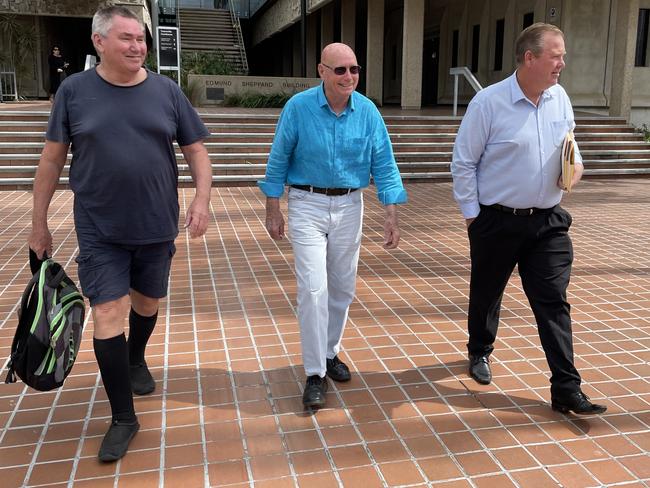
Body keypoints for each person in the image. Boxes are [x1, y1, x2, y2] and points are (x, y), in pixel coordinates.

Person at [29, 6, 212, 461]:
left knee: (147, 303)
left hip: (155, 223)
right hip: (99, 226)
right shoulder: (73, 92)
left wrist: (201, 198)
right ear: (99, 41)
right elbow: (52, 161)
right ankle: (123, 417)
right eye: (127, 38)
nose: (137, 47)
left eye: (142, 39)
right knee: (107, 312)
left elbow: (196, 151)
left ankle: (135, 357)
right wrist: (38, 221)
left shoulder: (166, 92)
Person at [451, 23, 606, 415]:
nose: (562, 63)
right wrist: (473, 218)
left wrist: (576, 170)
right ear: (529, 58)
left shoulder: (560, 98)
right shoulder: (488, 103)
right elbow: (464, 163)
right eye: (556, 55)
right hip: (496, 221)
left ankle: (566, 388)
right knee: (487, 292)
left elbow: (572, 148)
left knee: (553, 302)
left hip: (547, 223)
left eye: (563, 55)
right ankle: (480, 350)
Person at [259, 43, 407, 409]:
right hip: (307, 203)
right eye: (340, 70)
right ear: (321, 71)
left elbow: (384, 164)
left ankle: (329, 352)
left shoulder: (368, 112)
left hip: (350, 205)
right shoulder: (299, 108)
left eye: (354, 70)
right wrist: (272, 207)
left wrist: (391, 212)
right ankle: (314, 373)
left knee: (342, 287)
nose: (349, 77)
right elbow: (278, 157)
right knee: (313, 289)